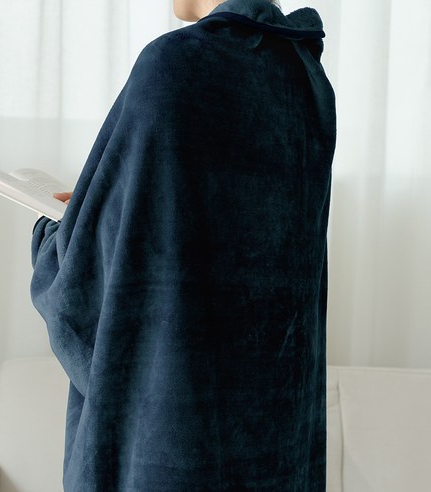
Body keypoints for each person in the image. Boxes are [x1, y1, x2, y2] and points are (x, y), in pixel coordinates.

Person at [31, 0, 336, 490]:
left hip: (172, 453)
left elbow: (89, 298)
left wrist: (56, 234)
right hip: (275, 448)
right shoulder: (305, 78)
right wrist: (106, 205)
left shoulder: (173, 66)